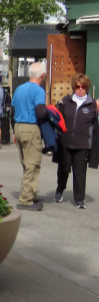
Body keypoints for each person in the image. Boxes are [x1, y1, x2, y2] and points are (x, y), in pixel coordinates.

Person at [54, 73, 99, 209]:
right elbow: (56, 120)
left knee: (80, 173)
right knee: (64, 169)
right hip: (65, 143)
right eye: (78, 86)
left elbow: (95, 127)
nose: (80, 89)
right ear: (74, 87)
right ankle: (59, 190)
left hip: (83, 144)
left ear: (87, 87)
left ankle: (79, 199)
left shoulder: (92, 105)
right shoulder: (65, 102)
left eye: (83, 87)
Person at [11, 61, 49, 211]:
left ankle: (30, 193)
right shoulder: (39, 90)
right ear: (43, 76)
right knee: (32, 165)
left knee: (26, 163)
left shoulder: (19, 88)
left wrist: (14, 131)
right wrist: (50, 112)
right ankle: (26, 199)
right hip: (31, 127)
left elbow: (12, 112)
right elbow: (40, 112)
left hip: (19, 127)